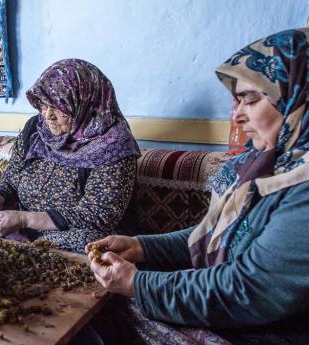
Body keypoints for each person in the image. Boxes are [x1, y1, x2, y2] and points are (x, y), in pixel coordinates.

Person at [86, 28, 309, 344]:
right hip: (238, 304)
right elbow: (214, 234)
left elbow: (250, 290)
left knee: (103, 319)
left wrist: (138, 284)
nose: (236, 117)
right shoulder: (266, 163)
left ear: (297, 97)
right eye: (236, 102)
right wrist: (141, 246)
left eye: (251, 100)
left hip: (274, 329)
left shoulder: (302, 188)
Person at [0, 59, 141, 253]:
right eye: (43, 104)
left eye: (59, 106)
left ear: (84, 102)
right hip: (23, 226)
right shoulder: (36, 128)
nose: (48, 115)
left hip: (70, 232)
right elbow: (12, 177)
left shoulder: (113, 144)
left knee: (90, 244)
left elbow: (99, 215)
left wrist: (24, 219)